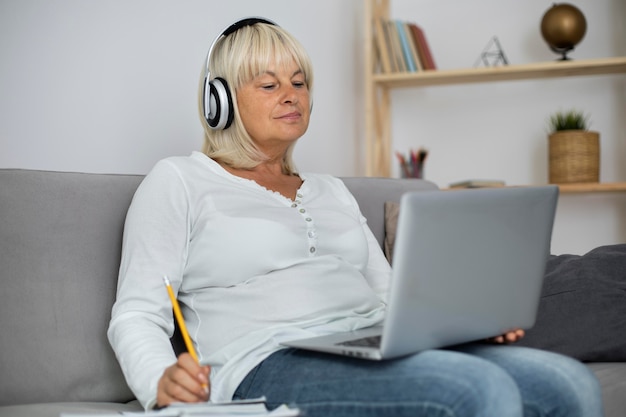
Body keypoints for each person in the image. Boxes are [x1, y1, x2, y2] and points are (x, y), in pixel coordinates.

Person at [108, 18, 604, 417]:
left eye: (299, 83)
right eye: (269, 83)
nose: (291, 94)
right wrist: (158, 380)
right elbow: (136, 313)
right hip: (265, 358)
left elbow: (391, 300)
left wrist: (464, 325)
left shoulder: (332, 190)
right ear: (219, 101)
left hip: (370, 343)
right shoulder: (178, 181)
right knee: (472, 389)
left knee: (568, 382)